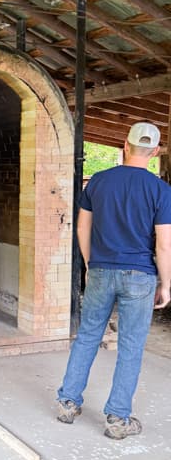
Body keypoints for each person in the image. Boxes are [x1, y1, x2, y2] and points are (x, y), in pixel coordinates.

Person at [57, 122, 171, 439]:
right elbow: (164, 244)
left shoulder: (98, 182)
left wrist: (92, 264)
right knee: (131, 348)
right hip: (140, 275)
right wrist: (167, 284)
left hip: (100, 271)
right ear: (156, 151)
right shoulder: (161, 190)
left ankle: (67, 402)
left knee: (88, 336)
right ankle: (117, 419)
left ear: (125, 144)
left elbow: (83, 229)